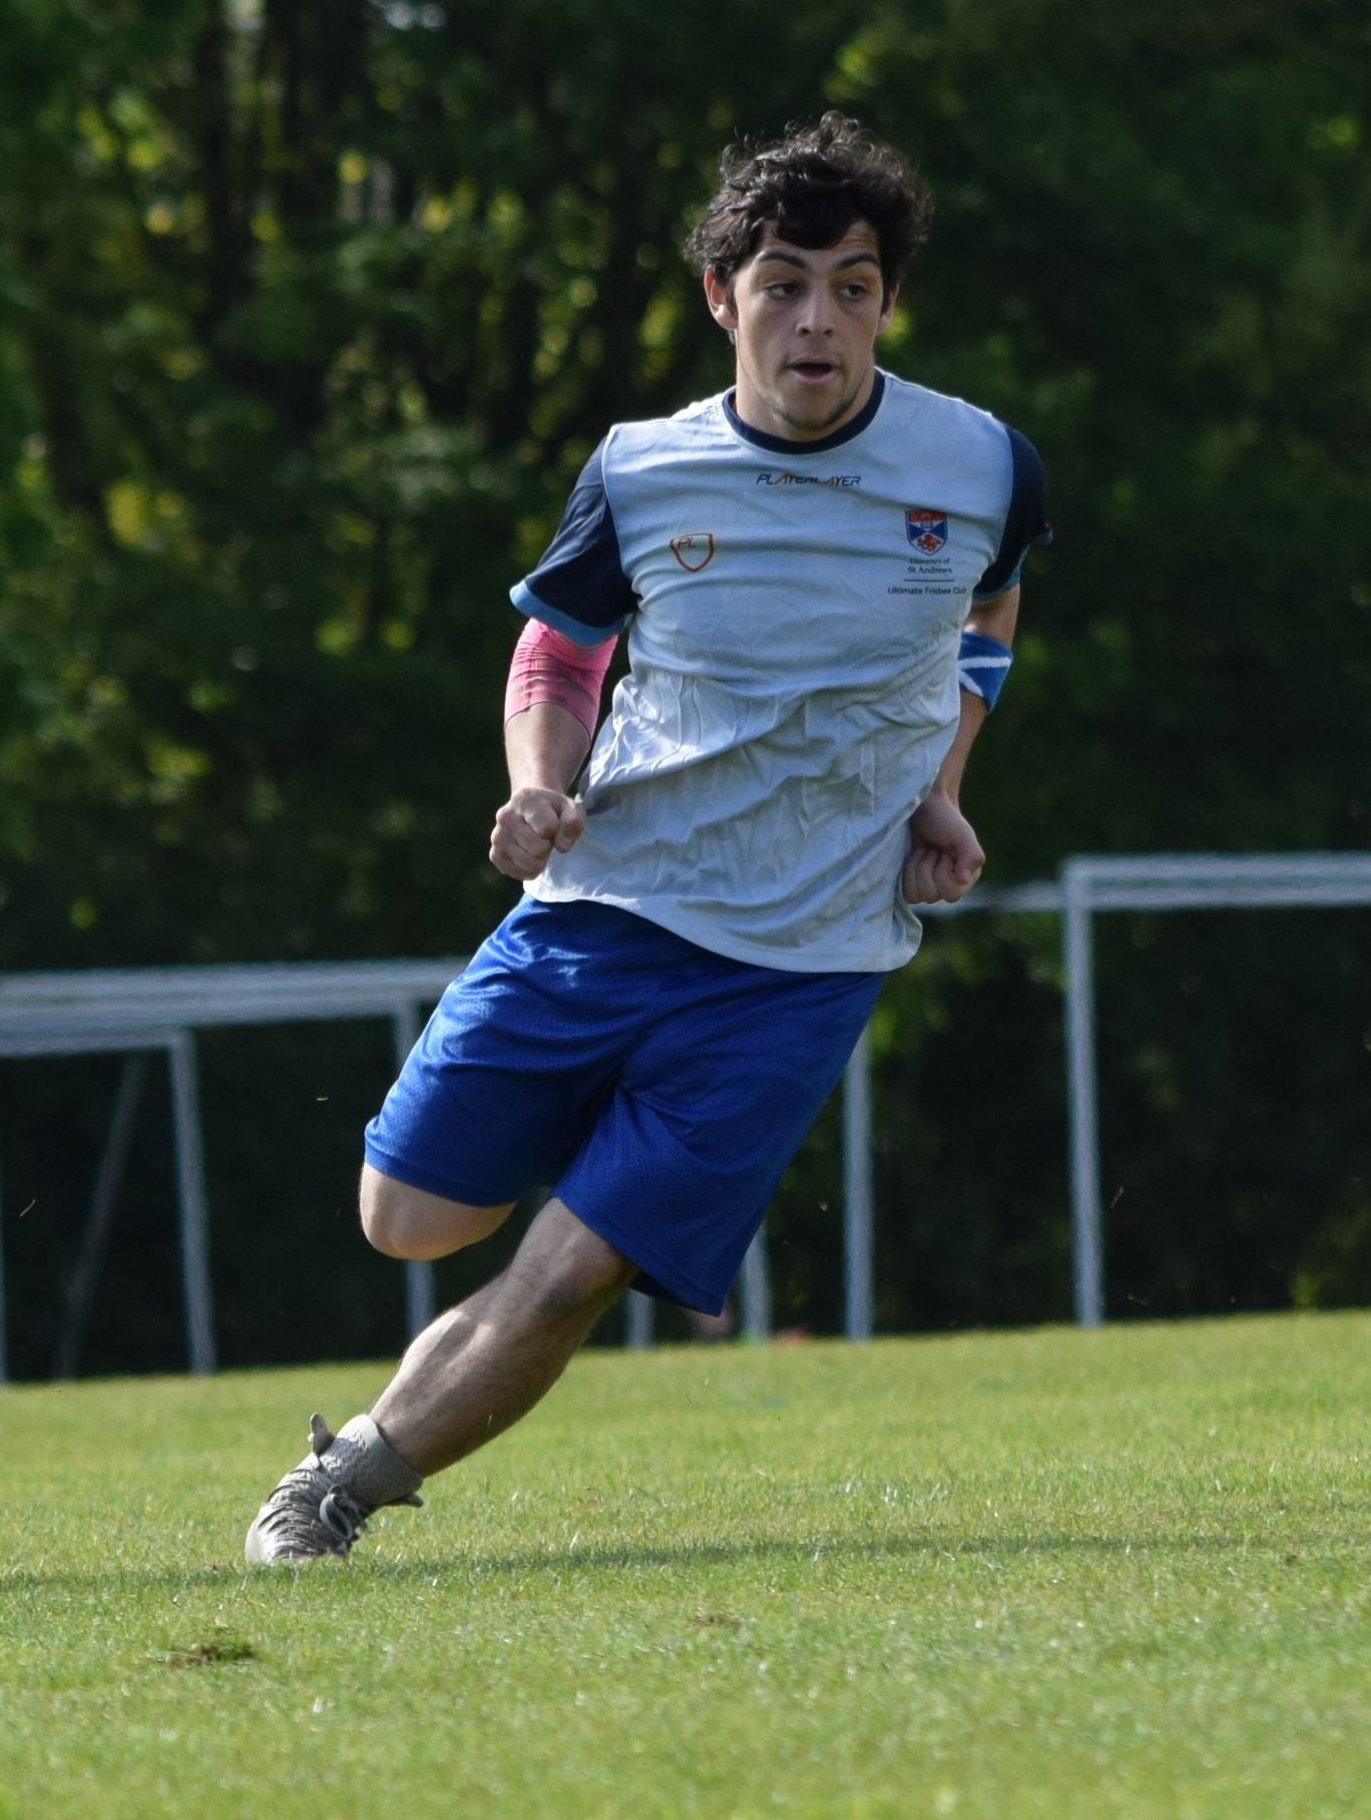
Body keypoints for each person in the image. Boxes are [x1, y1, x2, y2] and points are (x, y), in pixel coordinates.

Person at [245, 115, 1049, 1564]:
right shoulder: (638, 470)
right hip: (605, 904)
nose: (819, 320)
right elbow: (557, 642)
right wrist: (539, 786)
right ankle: (598, 1150)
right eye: (786, 281)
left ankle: (337, 1489)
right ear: (721, 298)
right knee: (406, 1217)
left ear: (886, 303)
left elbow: (988, 607)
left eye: (854, 286)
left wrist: (942, 779)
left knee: (570, 1273)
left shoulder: (982, 463)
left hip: (800, 964)